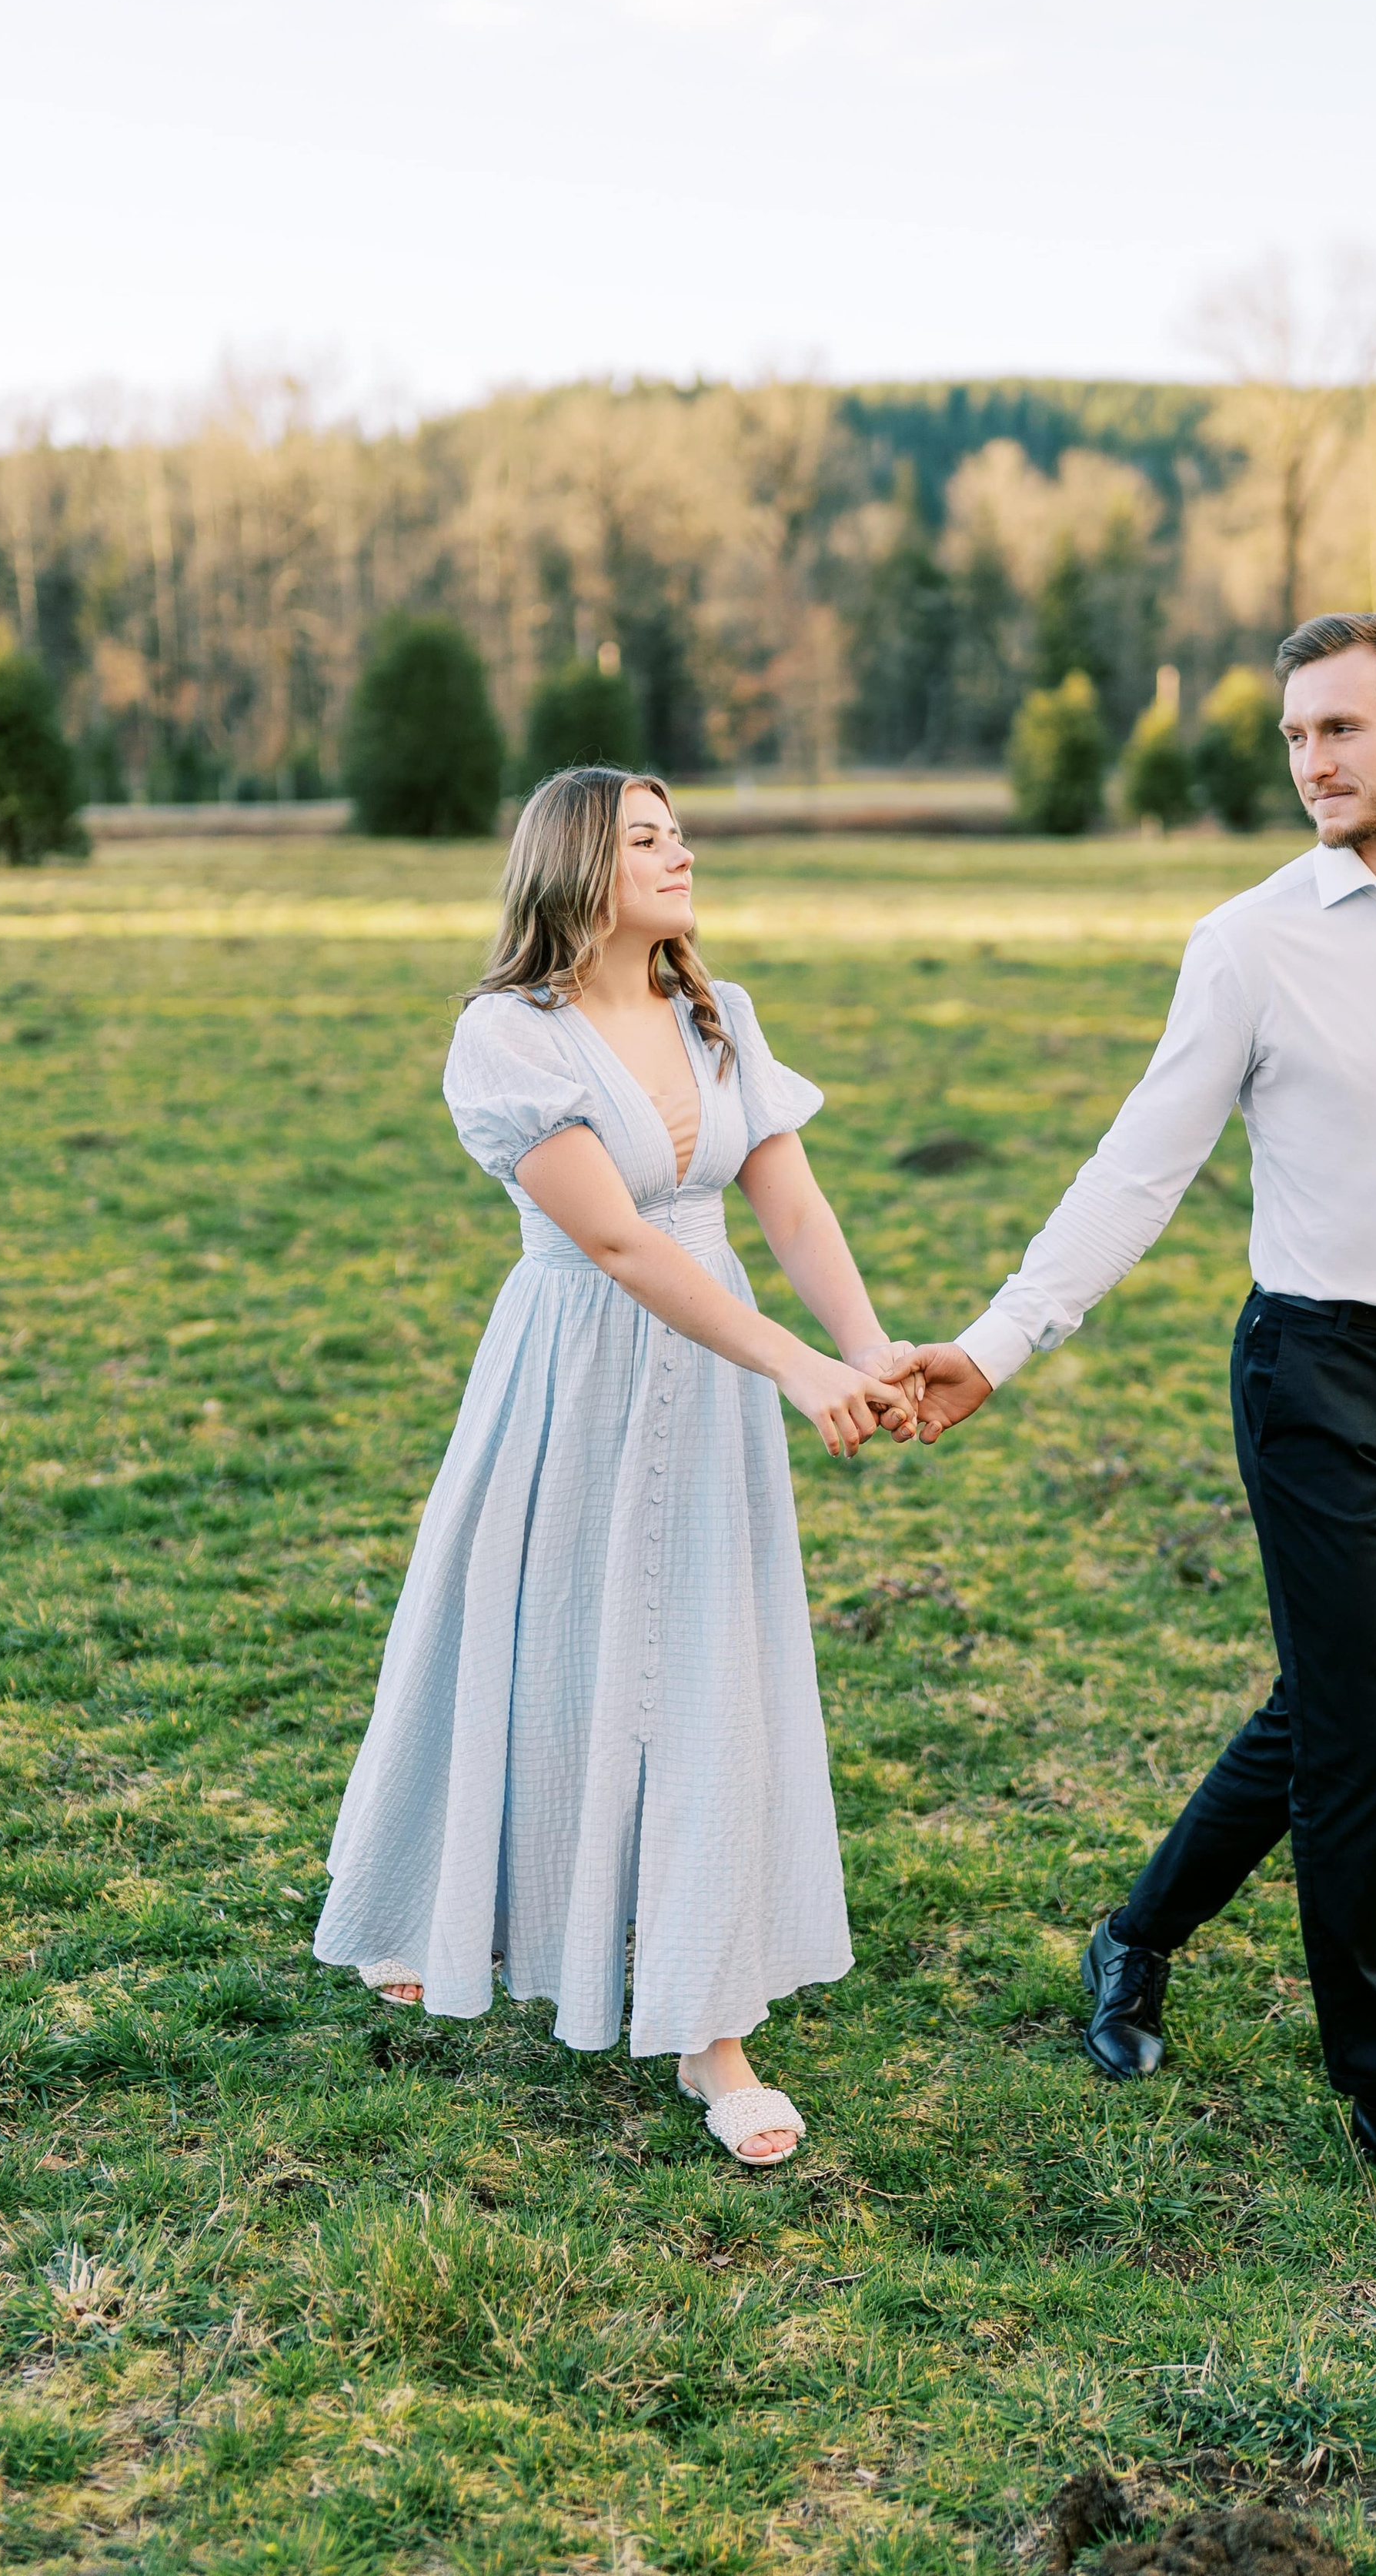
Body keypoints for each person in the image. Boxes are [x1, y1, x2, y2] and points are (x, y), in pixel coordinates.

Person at [909, 613, 1376, 2200]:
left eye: (1340, 732)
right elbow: (1139, 1163)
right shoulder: (1249, 942)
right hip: (1312, 1375)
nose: (1308, 762)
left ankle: (1132, 1933)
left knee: (1322, 1709)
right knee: (1364, 1733)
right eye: (1294, 736)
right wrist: (998, 1340)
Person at [314, 767, 917, 2167]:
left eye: (681, 832)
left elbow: (790, 1196)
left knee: (703, 1665)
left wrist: (868, 1349)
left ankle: (712, 2030)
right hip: (575, 1370)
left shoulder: (720, 1012)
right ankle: (437, 1910)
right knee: (528, 1643)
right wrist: (797, 1367)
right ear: (578, 865)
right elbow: (621, 1243)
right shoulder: (505, 1038)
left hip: (713, 1382)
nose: (681, 853)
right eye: (648, 838)